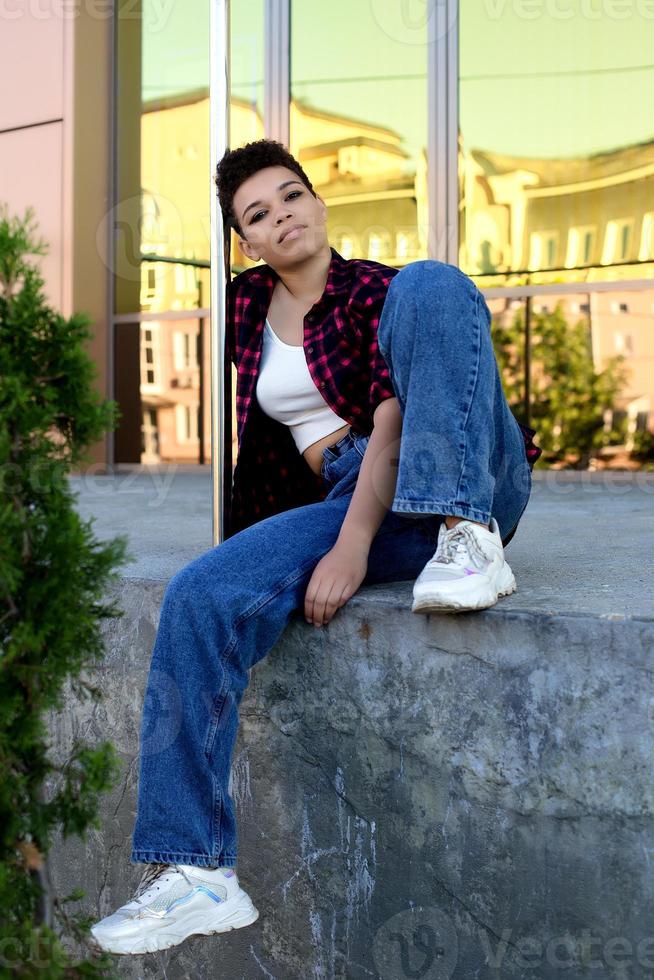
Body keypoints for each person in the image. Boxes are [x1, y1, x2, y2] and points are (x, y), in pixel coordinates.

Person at [91, 139, 541, 955]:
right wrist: (267, 552)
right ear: (247, 240)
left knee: (433, 280)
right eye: (257, 213)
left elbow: (395, 418)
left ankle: (467, 536)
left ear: (319, 204)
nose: (282, 215)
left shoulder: (377, 291)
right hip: (341, 489)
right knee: (199, 591)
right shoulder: (242, 307)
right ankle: (197, 874)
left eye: (291, 196)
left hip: (453, 466)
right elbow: (259, 444)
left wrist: (354, 545)